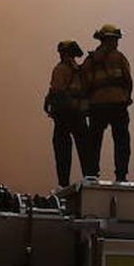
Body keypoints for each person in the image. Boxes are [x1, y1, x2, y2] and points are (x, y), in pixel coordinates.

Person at [81, 24, 133, 182]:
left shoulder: (90, 60)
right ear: (112, 40)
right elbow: (128, 81)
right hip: (118, 104)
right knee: (121, 141)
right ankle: (121, 175)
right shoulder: (120, 57)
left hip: (97, 105)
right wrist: (126, 97)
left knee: (94, 142)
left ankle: (91, 173)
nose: (117, 43)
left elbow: (84, 83)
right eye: (116, 40)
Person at [44, 40, 93, 186]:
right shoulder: (80, 71)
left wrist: (49, 103)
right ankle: (89, 178)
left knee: (62, 150)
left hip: (64, 115)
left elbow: (57, 91)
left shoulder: (61, 69)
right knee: (84, 148)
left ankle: (64, 183)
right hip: (79, 114)